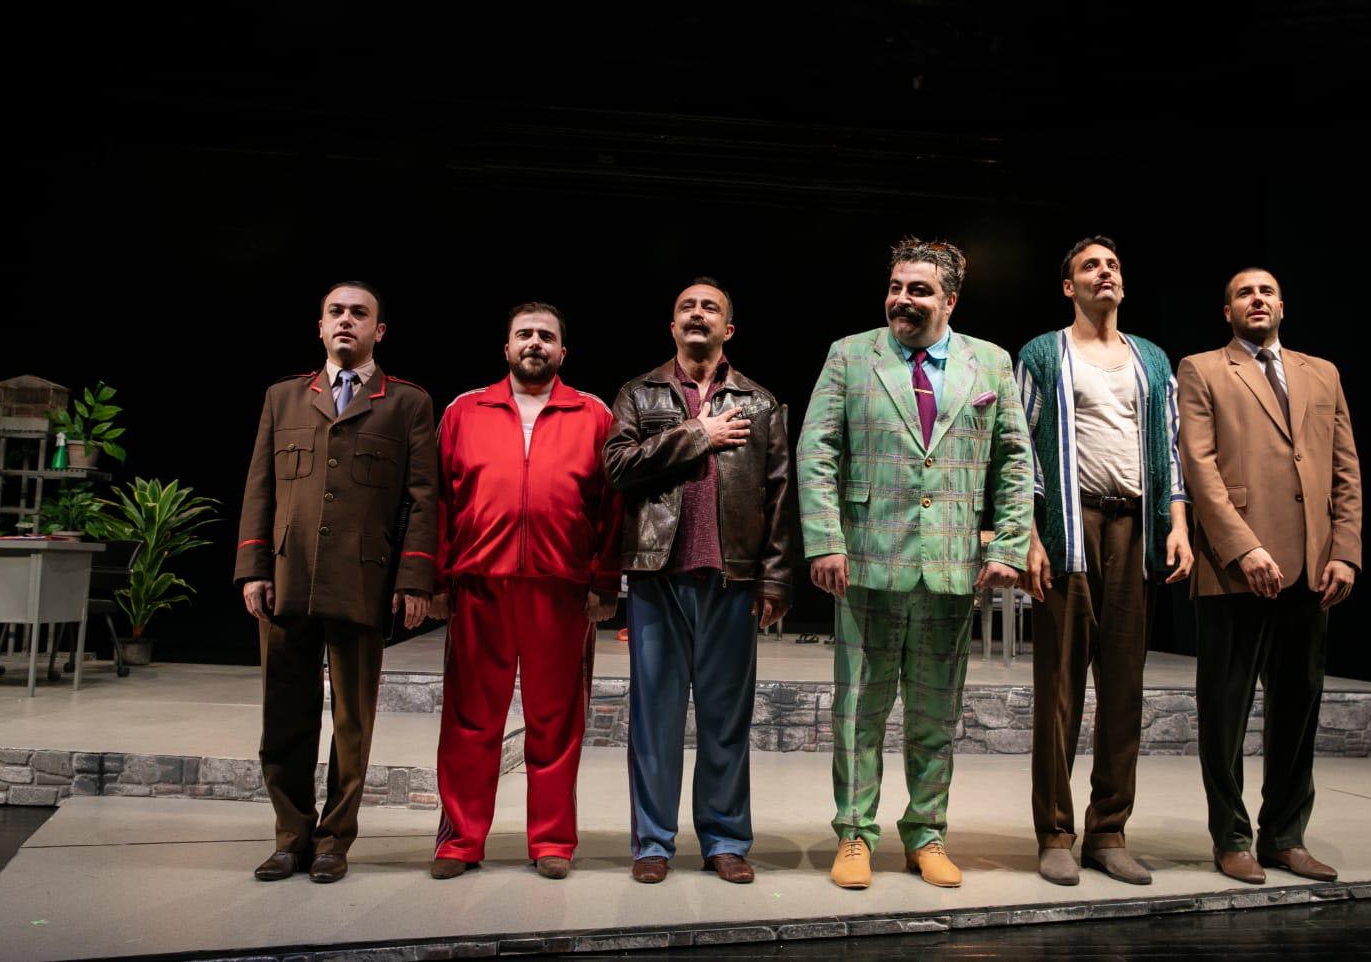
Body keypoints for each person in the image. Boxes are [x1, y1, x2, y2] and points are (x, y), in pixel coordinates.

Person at [796, 237, 1033, 890]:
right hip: (866, 562)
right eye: (896, 287)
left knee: (936, 716)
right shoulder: (850, 355)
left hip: (951, 567)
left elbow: (1016, 461)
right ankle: (854, 832)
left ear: (950, 300)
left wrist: (1009, 546)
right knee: (858, 713)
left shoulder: (991, 362)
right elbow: (816, 450)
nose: (903, 299)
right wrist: (825, 539)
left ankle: (927, 833)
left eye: (919, 290)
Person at [236, 281, 438, 884]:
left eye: (359, 313)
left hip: (362, 583)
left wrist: (414, 578)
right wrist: (253, 567)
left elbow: (423, 498)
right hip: (288, 579)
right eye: (336, 312)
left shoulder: (406, 403)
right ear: (320, 327)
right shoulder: (283, 397)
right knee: (284, 718)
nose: (346, 320)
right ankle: (290, 837)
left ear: (380, 330)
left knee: (352, 723)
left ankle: (334, 841)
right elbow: (260, 487)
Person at [603, 278, 796, 885]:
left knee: (725, 721)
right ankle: (653, 844)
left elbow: (779, 495)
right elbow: (616, 466)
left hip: (732, 583)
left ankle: (725, 839)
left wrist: (774, 581)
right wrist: (697, 435)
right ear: (672, 325)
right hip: (658, 578)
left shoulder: (760, 403)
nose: (697, 313)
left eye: (709, 307)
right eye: (686, 306)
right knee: (654, 721)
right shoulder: (638, 393)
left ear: (727, 328)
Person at [1015, 235, 1193, 887]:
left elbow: (1170, 446)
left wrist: (1178, 525)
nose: (1105, 272)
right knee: (1058, 691)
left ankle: (1109, 831)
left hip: (1134, 529)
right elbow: (1020, 449)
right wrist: (1028, 535)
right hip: (1069, 526)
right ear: (1070, 286)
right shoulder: (1043, 353)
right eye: (1091, 265)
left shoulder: (1151, 358)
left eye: (1112, 264)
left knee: (1124, 690)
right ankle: (1055, 833)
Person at [1177, 268, 1363, 884]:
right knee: (1225, 712)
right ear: (1227, 311)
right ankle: (1231, 838)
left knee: (1298, 709)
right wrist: (1243, 547)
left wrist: (1345, 551)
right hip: (1236, 568)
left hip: (1312, 566)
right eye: (1243, 293)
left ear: (1282, 305)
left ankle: (1285, 835)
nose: (1256, 299)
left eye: (1266, 292)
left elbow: (1345, 469)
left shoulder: (1322, 372)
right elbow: (1199, 467)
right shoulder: (1203, 369)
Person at [428, 302, 621, 881]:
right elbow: (439, 502)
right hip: (479, 586)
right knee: (469, 720)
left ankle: (553, 840)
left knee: (556, 722)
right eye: (524, 334)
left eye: (546, 336)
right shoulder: (464, 410)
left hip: (561, 590)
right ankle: (460, 841)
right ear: (506, 348)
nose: (535, 342)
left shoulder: (594, 414)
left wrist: (604, 582)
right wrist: (437, 580)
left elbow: (611, 509)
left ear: (563, 351)